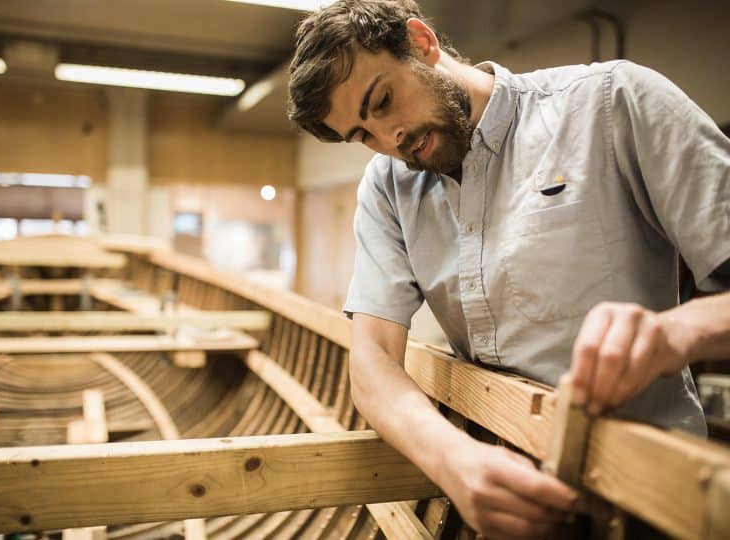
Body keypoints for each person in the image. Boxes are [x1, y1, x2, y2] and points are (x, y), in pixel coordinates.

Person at [288, 1, 730, 538]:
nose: (389, 140)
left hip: (652, 497)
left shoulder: (612, 104)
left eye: (383, 102)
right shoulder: (389, 187)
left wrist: (675, 332)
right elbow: (373, 362)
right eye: (362, 135)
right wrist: (455, 461)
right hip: (504, 498)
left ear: (422, 42)